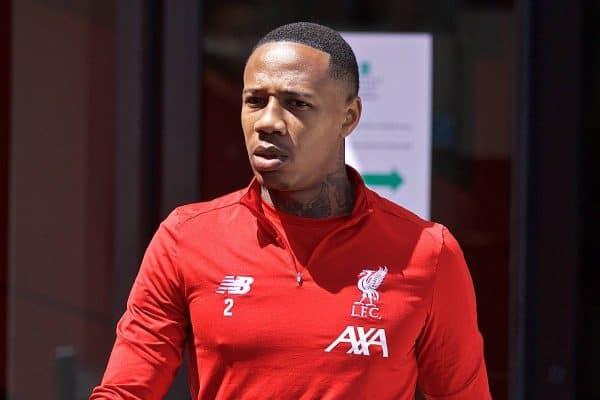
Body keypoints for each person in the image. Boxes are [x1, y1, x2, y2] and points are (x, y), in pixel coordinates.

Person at [91, 22, 491, 399]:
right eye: (254, 101)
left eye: (296, 103)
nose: (268, 121)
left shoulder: (428, 252)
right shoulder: (186, 237)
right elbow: (126, 390)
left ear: (348, 117)